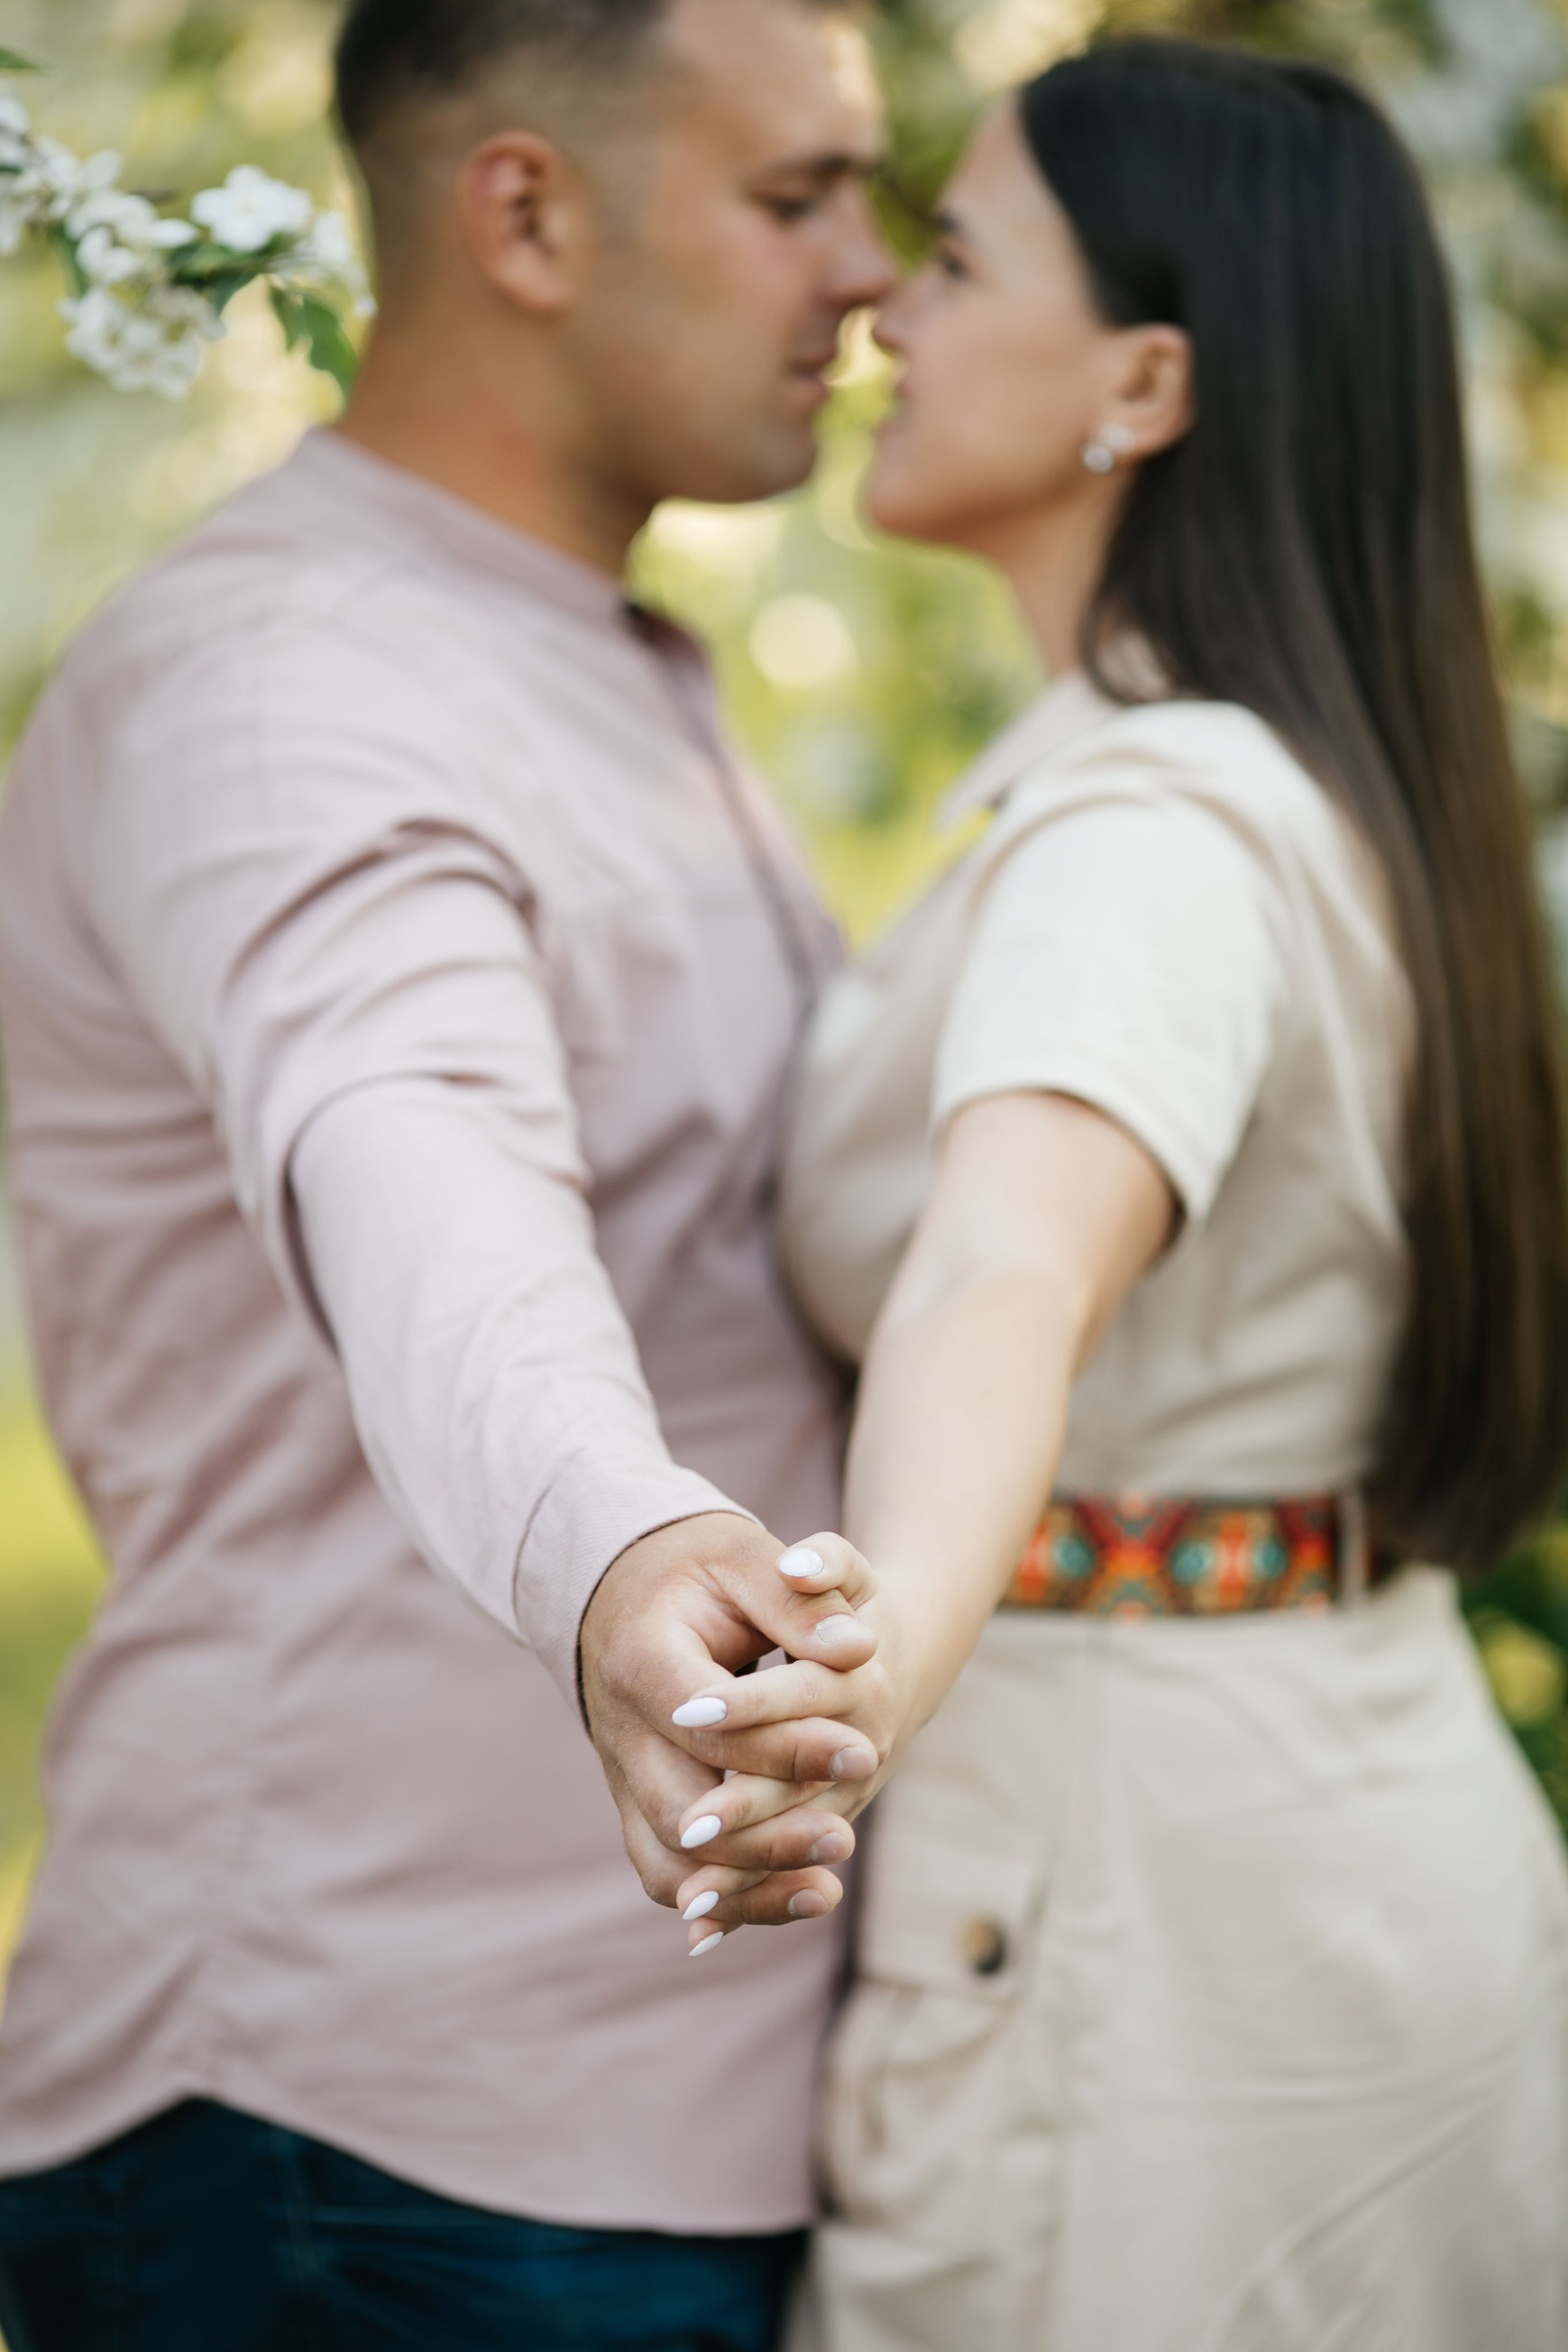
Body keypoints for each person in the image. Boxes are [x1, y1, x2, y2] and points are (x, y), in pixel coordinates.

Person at [641, 39, 1568, 2350]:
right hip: (1309, 1813)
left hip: (1159, 1928)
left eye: (956, 260)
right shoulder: (1235, 775)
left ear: (1141, 382)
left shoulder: (1157, 829)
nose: (883, 311)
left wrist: (856, 1679)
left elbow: (1006, 1272)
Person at [0, 1, 895, 2344]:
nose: (868, 277)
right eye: (797, 195)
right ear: (524, 211)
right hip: (358, 2160)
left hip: (632, 2121)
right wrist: (620, 1539)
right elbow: (410, 1159)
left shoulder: (591, 660)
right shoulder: (294, 680)